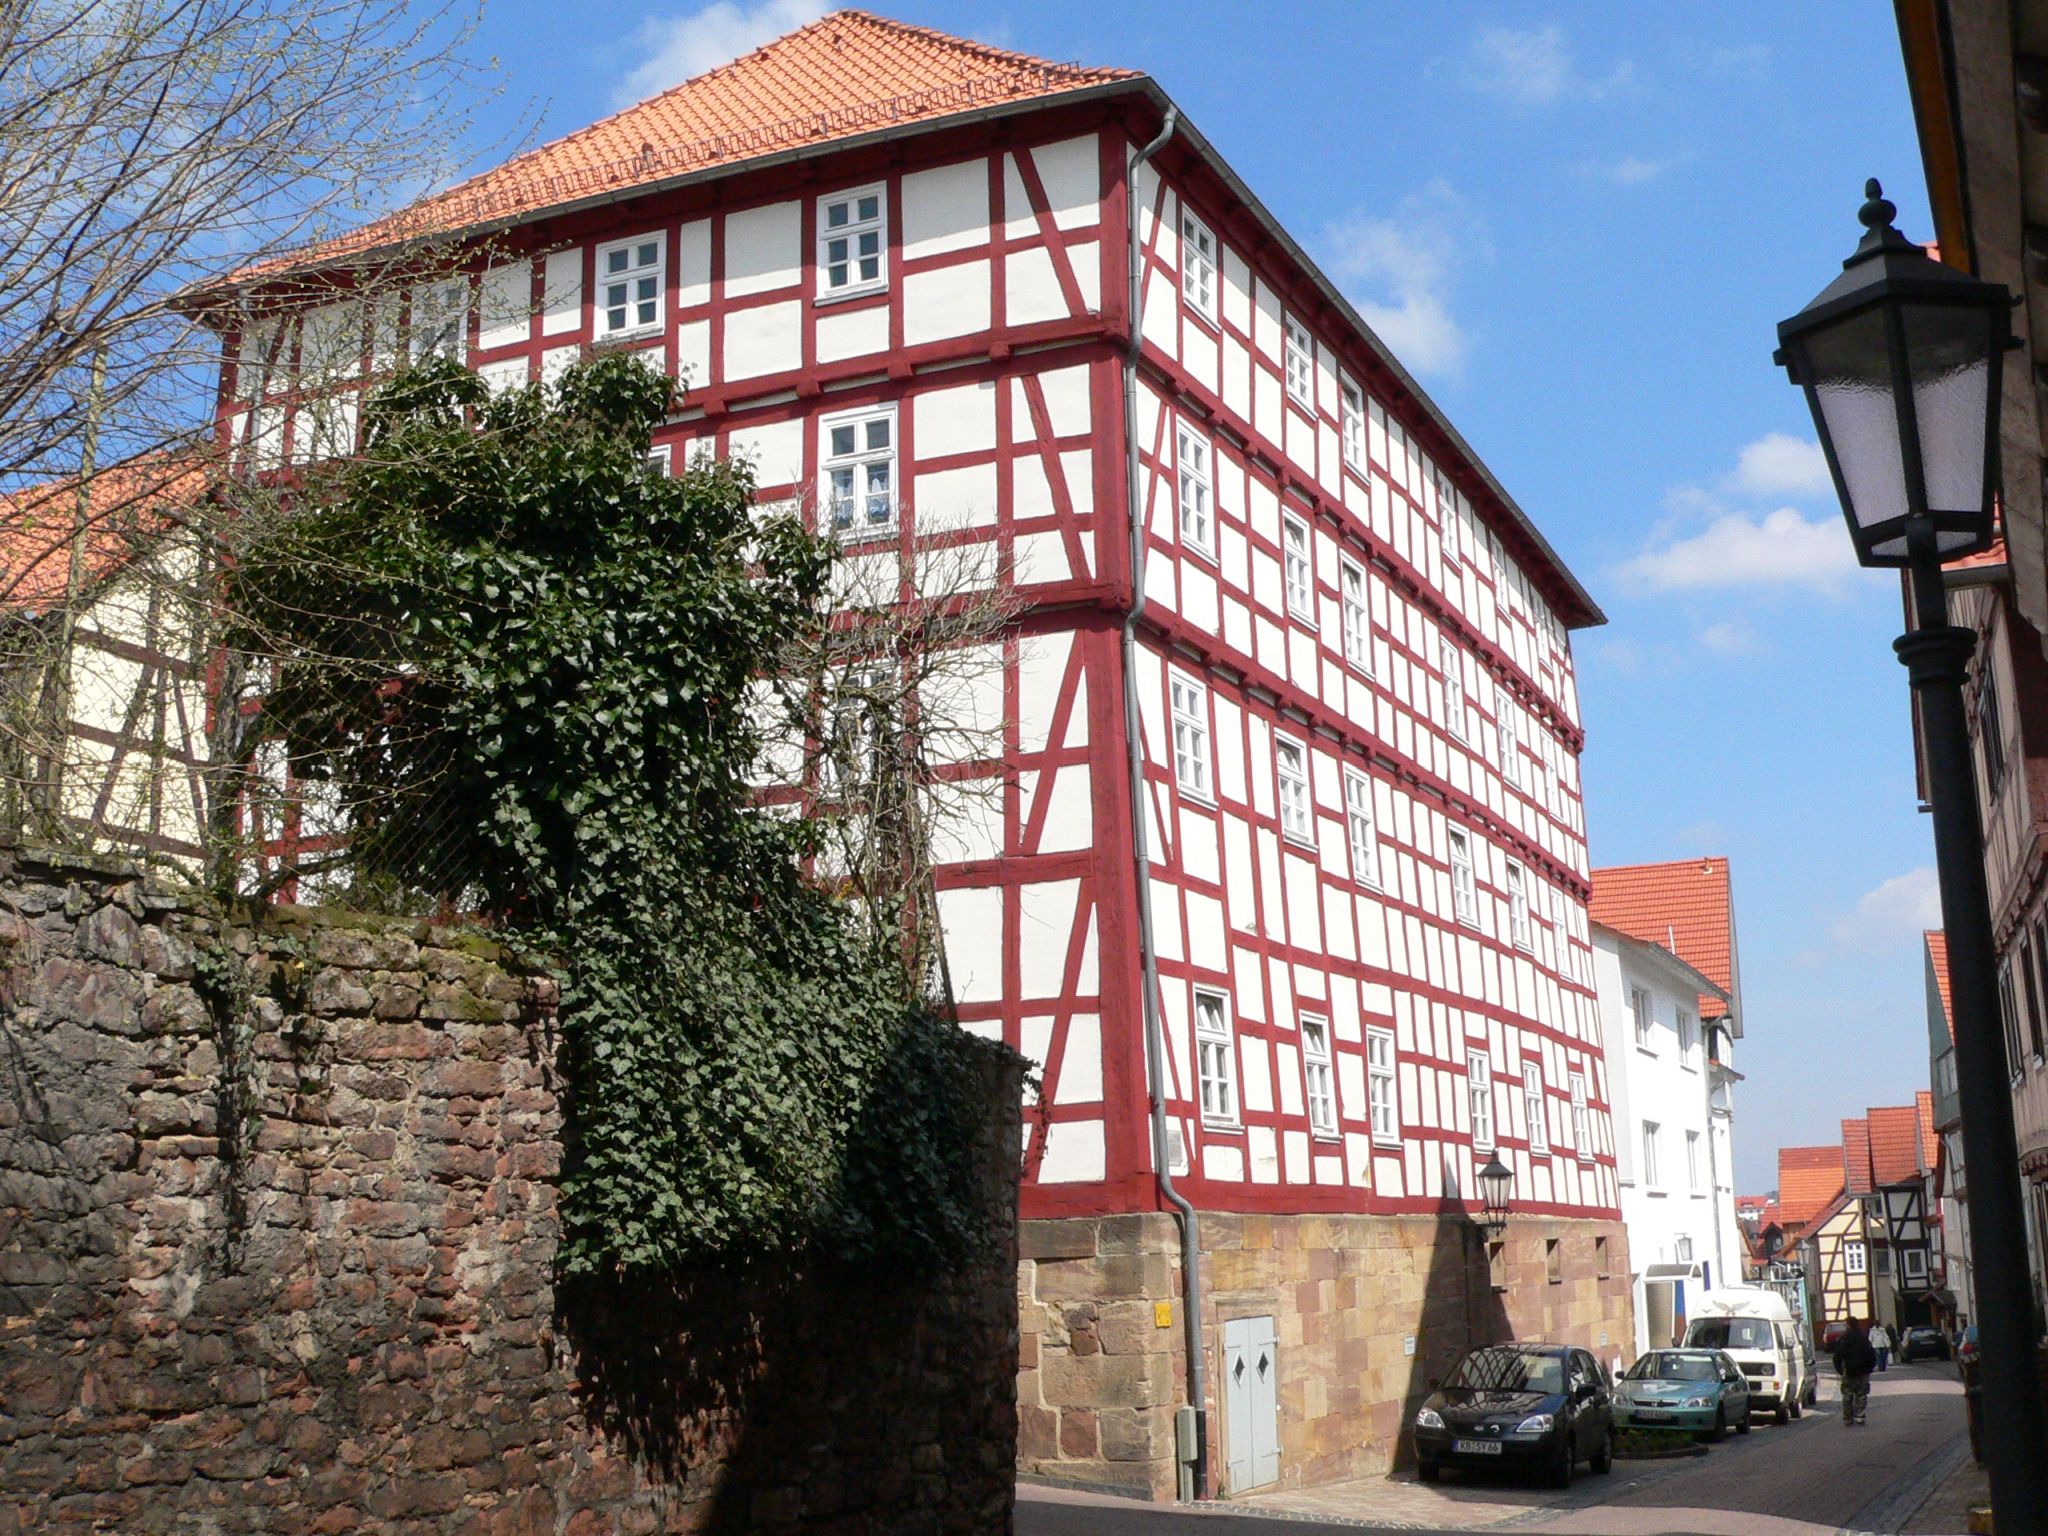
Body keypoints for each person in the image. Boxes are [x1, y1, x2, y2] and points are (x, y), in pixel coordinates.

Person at [1834, 1317, 1877, 1425]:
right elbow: (1871, 1354)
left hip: (1848, 1371)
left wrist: (1840, 1370)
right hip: (1862, 1372)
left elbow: (1837, 1357)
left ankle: (1848, 1418)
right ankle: (1860, 1415)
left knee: (1847, 1396)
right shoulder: (1863, 1338)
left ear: (1848, 1325)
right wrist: (1869, 1368)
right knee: (1861, 1394)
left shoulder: (1843, 1339)